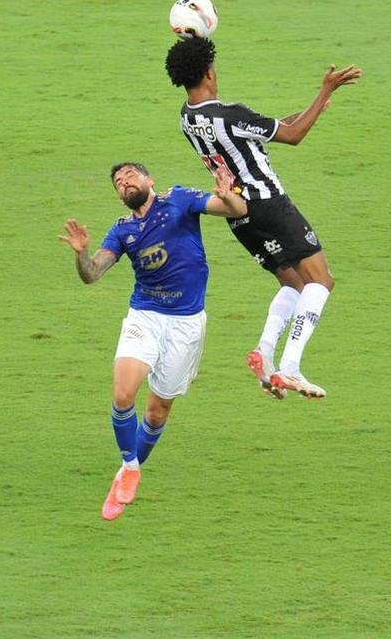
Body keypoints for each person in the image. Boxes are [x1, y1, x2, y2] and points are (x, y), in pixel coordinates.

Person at [165, 36, 362, 401]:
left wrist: (313, 108)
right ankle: (290, 367)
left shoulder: (187, 117)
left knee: (293, 285)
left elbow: (262, 130)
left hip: (239, 215)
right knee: (321, 283)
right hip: (270, 205)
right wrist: (324, 92)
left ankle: (265, 354)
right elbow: (292, 135)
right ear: (209, 72)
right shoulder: (230, 114)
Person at [59, 161, 247, 521]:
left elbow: (233, 209)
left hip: (186, 324)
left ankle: (126, 471)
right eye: (118, 182)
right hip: (144, 315)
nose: (124, 183)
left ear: (150, 181)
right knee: (122, 393)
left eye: (130, 175)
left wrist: (229, 196)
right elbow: (92, 274)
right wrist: (81, 253)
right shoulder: (122, 230)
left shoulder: (178, 200)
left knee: (158, 411)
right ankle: (130, 465)